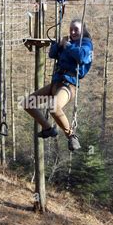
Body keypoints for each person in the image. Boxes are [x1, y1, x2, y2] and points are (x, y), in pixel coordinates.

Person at [23, 18, 93, 151]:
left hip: (68, 85)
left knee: (54, 107)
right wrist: (58, 43)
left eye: (76, 29)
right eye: (71, 29)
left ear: (83, 31)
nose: (72, 32)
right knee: (28, 103)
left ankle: (71, 136)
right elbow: (52, 54)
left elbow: (82, 57)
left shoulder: (86, 43)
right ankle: (48, 128)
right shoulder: (68, 41)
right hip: (56, 82)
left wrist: (67, 45)